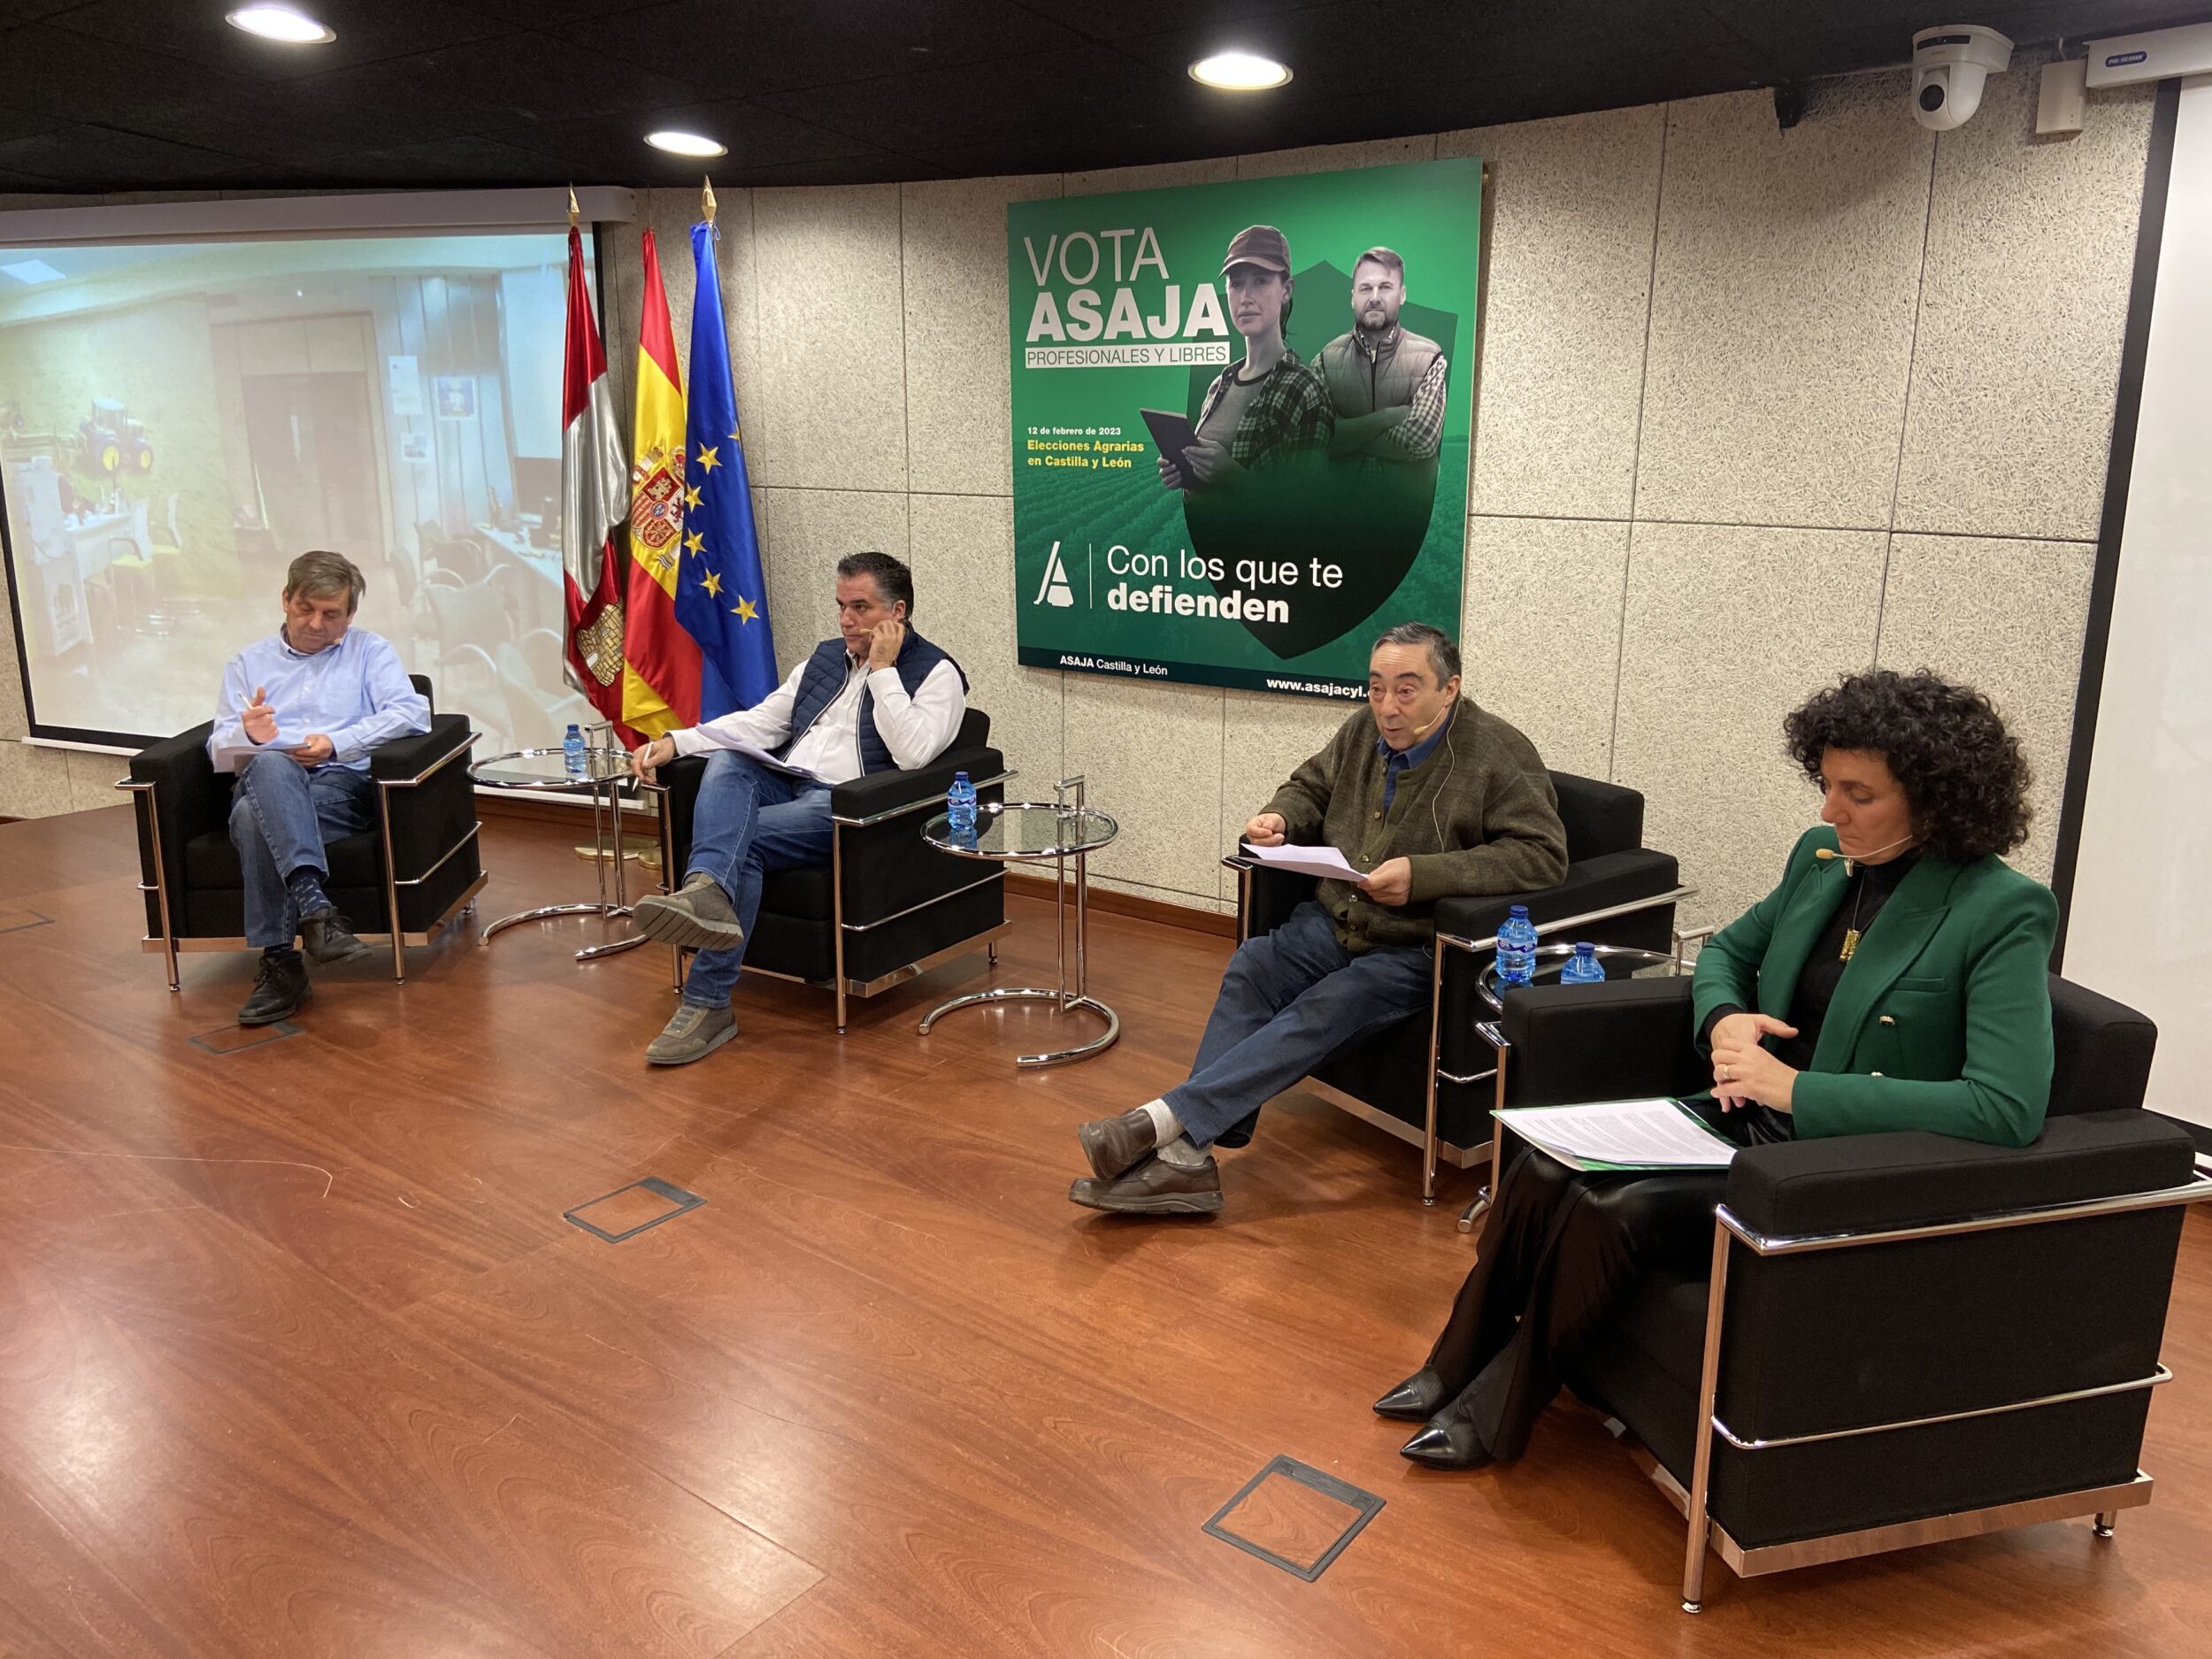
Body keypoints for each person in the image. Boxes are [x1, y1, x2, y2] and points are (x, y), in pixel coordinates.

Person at [1378, 668, 2058, 1470]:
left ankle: (1498, 1409)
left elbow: (2006, 1105)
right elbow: (1727, 953)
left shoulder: (2000, 908)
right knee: (1543, 1166)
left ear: (1936, 800)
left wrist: (1796, 1088)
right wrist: (1726, 1016)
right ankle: (1452, 1364)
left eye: (1858, 794)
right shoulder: (1822, 859)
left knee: (1614, 1208)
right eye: (1827, 785)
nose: (1829, 810)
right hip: (1740, 1114)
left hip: (1829, 1162)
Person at [1069, 622, 1567, 1217]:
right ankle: (1188, 1157)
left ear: (1449, 689)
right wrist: (1280, 817)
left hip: (1413, 947)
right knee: (1254, 964)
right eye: (1376, 688)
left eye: (1407, 690)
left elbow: (1543, 854)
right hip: (1334, 920)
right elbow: (1310, 786)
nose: (1387, 707)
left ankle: (1163, 1126)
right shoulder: (1362, 730)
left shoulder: (1497, 752)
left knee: (1328, 1004)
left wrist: (1424, 875)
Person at [628, 550, 966, 1066]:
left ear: (897, 612)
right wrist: (679, 741)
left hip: (844, 804)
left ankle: (708, 1002)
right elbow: (762, 723)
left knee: (741, 841)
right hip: (786, 781)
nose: (846, 620)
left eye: (860, 607)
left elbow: (913, 753)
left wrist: (882, 670)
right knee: (729, 762)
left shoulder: (937, 674)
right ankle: (704, 893)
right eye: (841, 606)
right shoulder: (823, 660)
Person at [211, 549, 430, 1027]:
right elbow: (217, 749)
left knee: (251, 820)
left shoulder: (370, 652)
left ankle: (281, 965)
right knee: (271, 766)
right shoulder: (247, 663)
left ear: (351, 614)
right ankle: (316, 911)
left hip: (340, 789)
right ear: (285, 600)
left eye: (331, 614)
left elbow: (413, 713)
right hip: (264, 783)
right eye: (305, 609)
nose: (315, 623)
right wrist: (249, 736)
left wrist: (337, 743)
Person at [1157, 224, 1333, 497]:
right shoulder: (1220, 385)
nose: (1246, 297)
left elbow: (1306, 507)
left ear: (1286, 290)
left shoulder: (1306, 390)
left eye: (1260, 281)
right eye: (1236, 284)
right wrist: (1186, 472)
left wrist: (1232, 474)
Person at [1312, 247, 1448, 472]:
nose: (1374, 298)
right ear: (1353, 297)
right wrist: (1387, 418)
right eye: (1365, 288)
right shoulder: (1326, 360)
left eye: (1385, 287)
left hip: (1403, 495)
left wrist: (1343, 434)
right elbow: (1313, 440)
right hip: (1340, 495)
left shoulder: (1429, 358)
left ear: (1402, 295)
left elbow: (1420, 442)